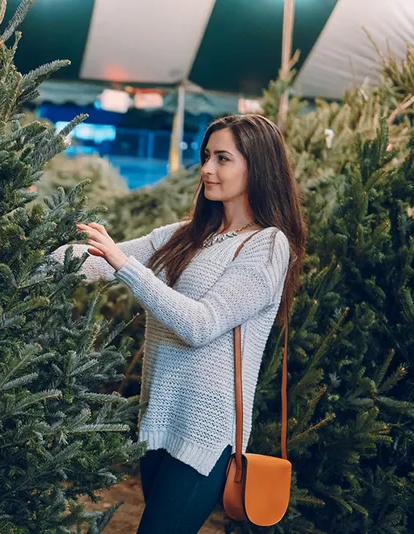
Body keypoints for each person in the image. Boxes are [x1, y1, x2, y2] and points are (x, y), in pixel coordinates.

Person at [50, 114, 307, 533]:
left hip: (205, 435)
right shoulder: (186, 234)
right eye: (206, 156)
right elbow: (93, 261)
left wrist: (128, 266)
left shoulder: (268, 245)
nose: (207, 168)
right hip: (159, 422)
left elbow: (202, 325)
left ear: (257, 166)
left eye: (223, 158)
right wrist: (14, 254)